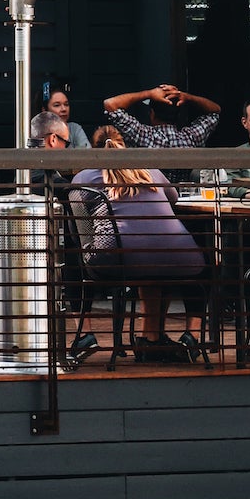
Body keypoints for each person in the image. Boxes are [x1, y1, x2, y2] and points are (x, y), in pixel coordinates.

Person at [74, 126, 206, 361]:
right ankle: (182, 337)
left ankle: (89, 335)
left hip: (120, 261)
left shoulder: (84, 177)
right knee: (157, 260)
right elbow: (173, 198)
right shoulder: (150, 170)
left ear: (93, 152)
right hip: (181, 258)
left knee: (83, 257)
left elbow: (81, 222)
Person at [102, 82, 221, 149]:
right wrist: (186, 96)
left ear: (152, 114)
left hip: (152, 193)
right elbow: (215, 111)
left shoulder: (144, 135)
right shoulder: (192, 137)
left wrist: (149, 93)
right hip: (185, 193)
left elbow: (110, 104)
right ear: (179, 116)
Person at [44, 85, 91, 150]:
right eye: (57, 105)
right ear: (44, 110)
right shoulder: (37, 131)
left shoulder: (74, 129)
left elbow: (87, 154)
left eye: (66, 104)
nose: (64, 109)